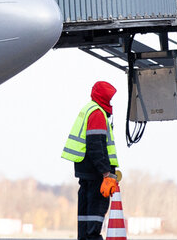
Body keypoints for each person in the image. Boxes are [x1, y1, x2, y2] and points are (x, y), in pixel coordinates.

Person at [62, 81, 119, 240]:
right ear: (105, 98)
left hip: (86, 170)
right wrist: (106, 173)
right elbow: (95, 145)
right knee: (96, 213)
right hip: (96, 174)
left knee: (86, 214)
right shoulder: (98, 113)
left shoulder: (89, 110)